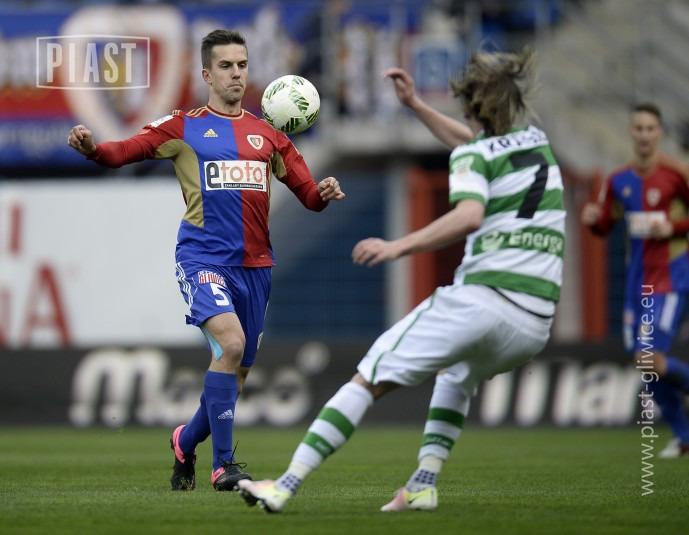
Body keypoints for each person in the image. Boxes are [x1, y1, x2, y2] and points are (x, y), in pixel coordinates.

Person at [237, 47, 565, 513]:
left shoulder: (473, 156)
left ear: (472, 106)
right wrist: (415, 105)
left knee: (368, 377)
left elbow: (470, 214)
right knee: (457, 374)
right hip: (534, 323)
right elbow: (471, 143)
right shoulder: (535, 143)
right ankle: (423, 484)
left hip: (484, 299)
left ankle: (283, 486)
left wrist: (398, 246)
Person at [67, 29, 345, 491]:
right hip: (202, 259)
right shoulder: (183, 127)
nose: (236, 74)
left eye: (242, 65)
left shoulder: (270, 136)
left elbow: (309, 196)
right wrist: (94, 149)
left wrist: (325, 192)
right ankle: (224, 466)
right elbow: (125, 151)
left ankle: (184, 440)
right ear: (206, 75)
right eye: (226, 66)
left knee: (235, 378)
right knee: (230, 345)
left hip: (256, 268)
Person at [582, 103, 689, 458]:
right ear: (631, 132)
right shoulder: (618, 180)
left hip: (670, 278)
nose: (644, 135)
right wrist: (593, 220)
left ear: (660, 133)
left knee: (649, 359)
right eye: (638, 128)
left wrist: (672, 227)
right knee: (645, 365)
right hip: (636, 283)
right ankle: (685, 438)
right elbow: (605, 225)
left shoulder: (676, 175)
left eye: (650, 128)